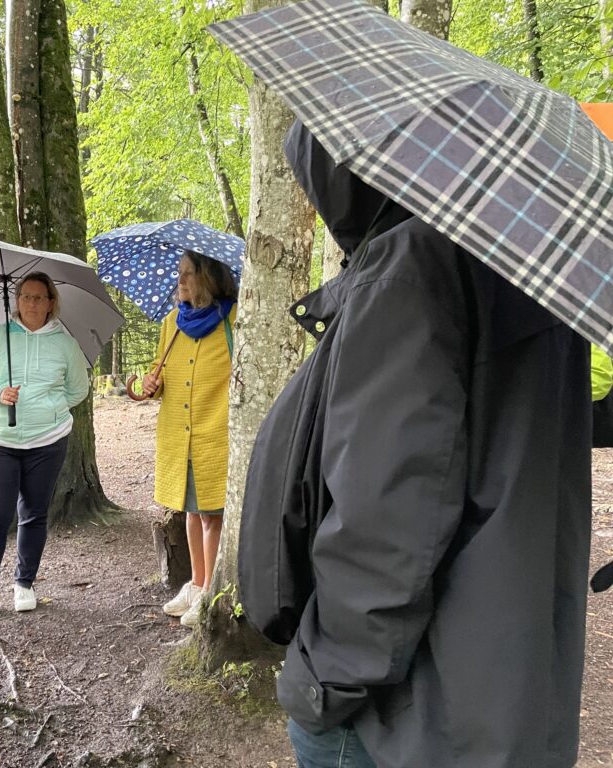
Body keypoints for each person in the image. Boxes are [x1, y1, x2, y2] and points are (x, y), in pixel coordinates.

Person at [253, 122, 591, 768]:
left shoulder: (412, 266)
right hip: (505, 693)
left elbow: (384, 517)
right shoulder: (540, 264)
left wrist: (326, 680)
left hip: (403, 712)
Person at [0, 272, 89, 621]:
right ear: (16, 301)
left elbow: (79, 388)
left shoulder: (65, 343)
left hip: (47, 441)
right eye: (26, 297)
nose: (33, 303)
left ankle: (24, 584)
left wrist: (51, 406)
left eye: (40, 297)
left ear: (50, 303)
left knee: (34, 514)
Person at [142, 250, 237, 628]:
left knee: (214, 514)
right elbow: (157, 372)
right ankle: (196, 584)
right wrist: (150, 384)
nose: (180, 281)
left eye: (188, 274)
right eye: (179, 274)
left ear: (209, 278)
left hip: (216, 434)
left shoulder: (233, 319)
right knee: (192, 511)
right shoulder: (173, 324)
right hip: (178, 436)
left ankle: (212, 591)